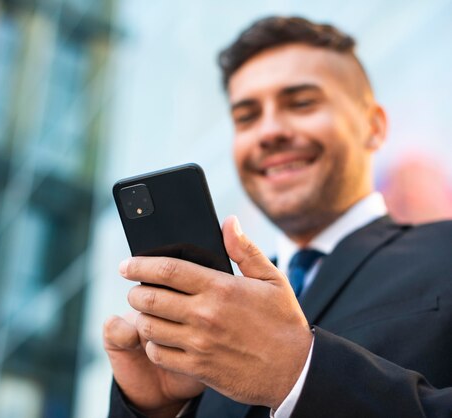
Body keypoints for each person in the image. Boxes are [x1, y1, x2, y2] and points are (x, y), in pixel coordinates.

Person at [103, 16, 452, 418]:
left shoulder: (444, 250)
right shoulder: (215, 313)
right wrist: (158, 409)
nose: (269, 132)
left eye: (302, 103)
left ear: (373, 126)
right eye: (247, 116)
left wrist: (299, 372)